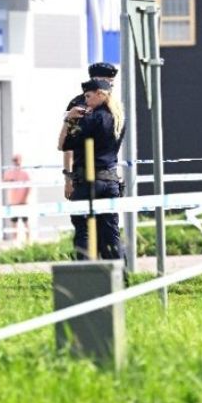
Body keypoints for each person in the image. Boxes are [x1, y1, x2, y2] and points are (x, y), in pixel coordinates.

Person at [59, 77, 125, 260]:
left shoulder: (92, 119)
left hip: (88, 183)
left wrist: (69, 119)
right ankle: (120, 279)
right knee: (110, 234)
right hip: (110, 181)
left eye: (88, 97)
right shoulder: (118, 118)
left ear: (99, 94)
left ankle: (86, 278)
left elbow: (63, 144)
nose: (86, 101)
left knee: (84, 232)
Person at [62, 62, 117, 200]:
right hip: (85, 177)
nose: (112, 86)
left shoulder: (111, 105)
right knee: (83, 219)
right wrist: (68, 178)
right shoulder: (80, 105)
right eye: (109, 82)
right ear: (97, 80)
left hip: (107, 176)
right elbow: (69, 146)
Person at [2, 153, 32, 243]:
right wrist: (9, 181)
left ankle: (28, 241)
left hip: (23, 201)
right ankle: (15, 240)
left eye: (17, 160)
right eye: (14, 160)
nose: (16, 162)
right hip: (13, 201)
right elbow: (3, 181)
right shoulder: (9, 172)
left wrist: (25, 198)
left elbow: (29, 187)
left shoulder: (25, 173)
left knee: (25, 221)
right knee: (14, 222)